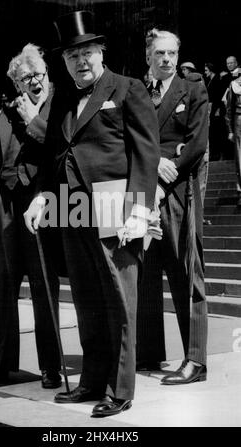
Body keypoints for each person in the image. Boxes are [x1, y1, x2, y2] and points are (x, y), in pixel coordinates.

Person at [24, 10, 160, 417]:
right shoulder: (63, 97)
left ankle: (120, 390)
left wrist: (139, 208)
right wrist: (42, 197)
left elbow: (146, 152)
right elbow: (53, 155)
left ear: (101, 51)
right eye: (71, 56)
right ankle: (91, 380)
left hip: (113, 203)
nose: (80, 62)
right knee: (86, 297)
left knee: (119, 300)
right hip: (72, 207)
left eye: (86, 52)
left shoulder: (127, 88)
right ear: (63, 62)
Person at [0, 43, 62, 391]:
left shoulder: (59, 107)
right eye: (26, 79)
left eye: (38, 75)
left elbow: (58, 153)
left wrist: (32, 118)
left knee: (43, 289)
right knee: (4, 291)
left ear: (47, 74)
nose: (34, 82)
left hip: (42, 206)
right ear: (17, 84)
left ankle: (51, 367)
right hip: (5, 212)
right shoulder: (5, 116)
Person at [136, 28, 209, 385]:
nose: (166, 60)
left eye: (171, 53)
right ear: (148, 55)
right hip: (142, 189)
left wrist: (167, 174)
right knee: (145, 268)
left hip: (179, 190)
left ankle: (195, 359)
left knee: (185, 271)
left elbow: (196, 143)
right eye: (159, 53)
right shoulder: (136, 91)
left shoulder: (192, 88)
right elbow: (126, 137)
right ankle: (148, 351)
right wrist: (154, 163)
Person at [225, 73, 241, 206]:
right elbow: (229, 108)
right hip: (239, 120)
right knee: (240, 159)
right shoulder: (235, 84)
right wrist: (230, 130)